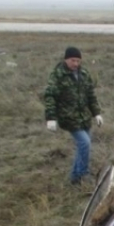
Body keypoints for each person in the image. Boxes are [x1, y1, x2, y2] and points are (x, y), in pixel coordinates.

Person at [44, 46, 103, 185]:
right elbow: (50, 96)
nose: (75, 64)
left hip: (84, 117)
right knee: (85, 143)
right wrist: (51, 118)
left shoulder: (83, 73)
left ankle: (75, 177)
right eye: (73, 60)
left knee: (84, 146)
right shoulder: (58, 74)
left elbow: (90, 95)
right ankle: (83, 174)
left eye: (78, 61)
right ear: (66, 59)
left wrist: (97, 113)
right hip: (68, 117)